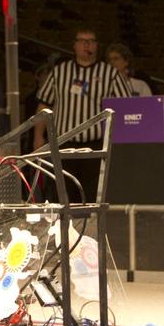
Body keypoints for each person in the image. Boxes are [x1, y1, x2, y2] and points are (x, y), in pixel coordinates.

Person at [32, 26, 131, 201]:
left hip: (95, 146)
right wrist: (38, 137)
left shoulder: (110, 73)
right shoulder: (60, 72)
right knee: (63, 196)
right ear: (75, 45)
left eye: (91, 41)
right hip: (63, 144)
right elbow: (44, 105)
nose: (87, 45)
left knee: (92, 195)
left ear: (96, 45)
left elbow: (126, 107)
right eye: (83, 41)